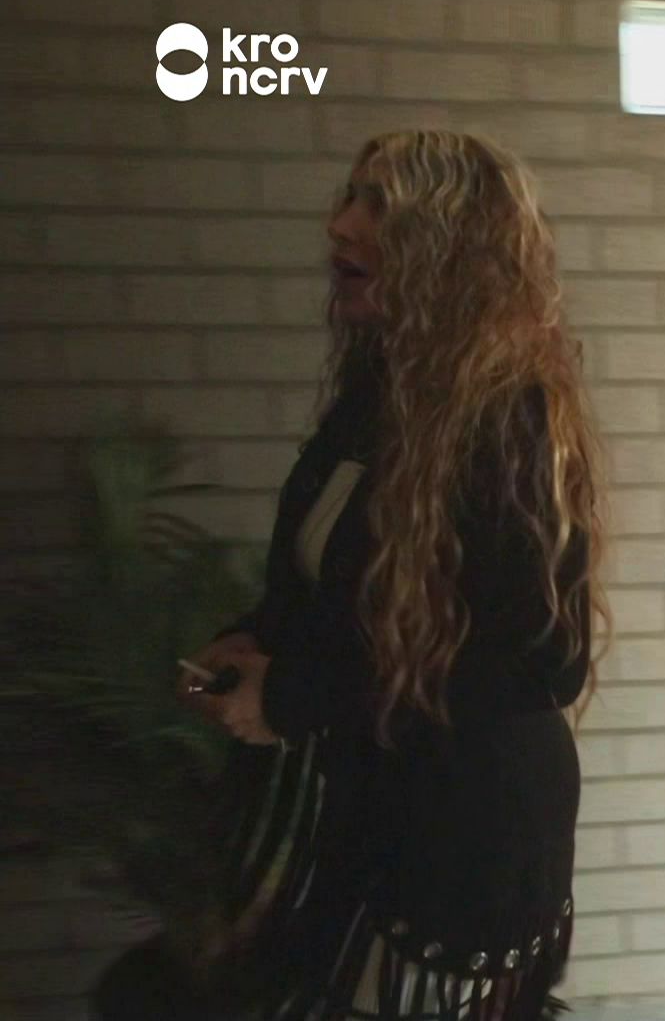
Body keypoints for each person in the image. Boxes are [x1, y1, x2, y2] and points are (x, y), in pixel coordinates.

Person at [97, 130, 612, 1021]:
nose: (341, 225)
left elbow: (540, 661)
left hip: (461, 829)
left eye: (381, 206)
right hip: (363, 804)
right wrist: (255, 639)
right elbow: (341, 588)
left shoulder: (510, 413)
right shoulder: (381, 394)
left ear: (451, 244)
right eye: (350, 197)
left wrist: (293, 697)